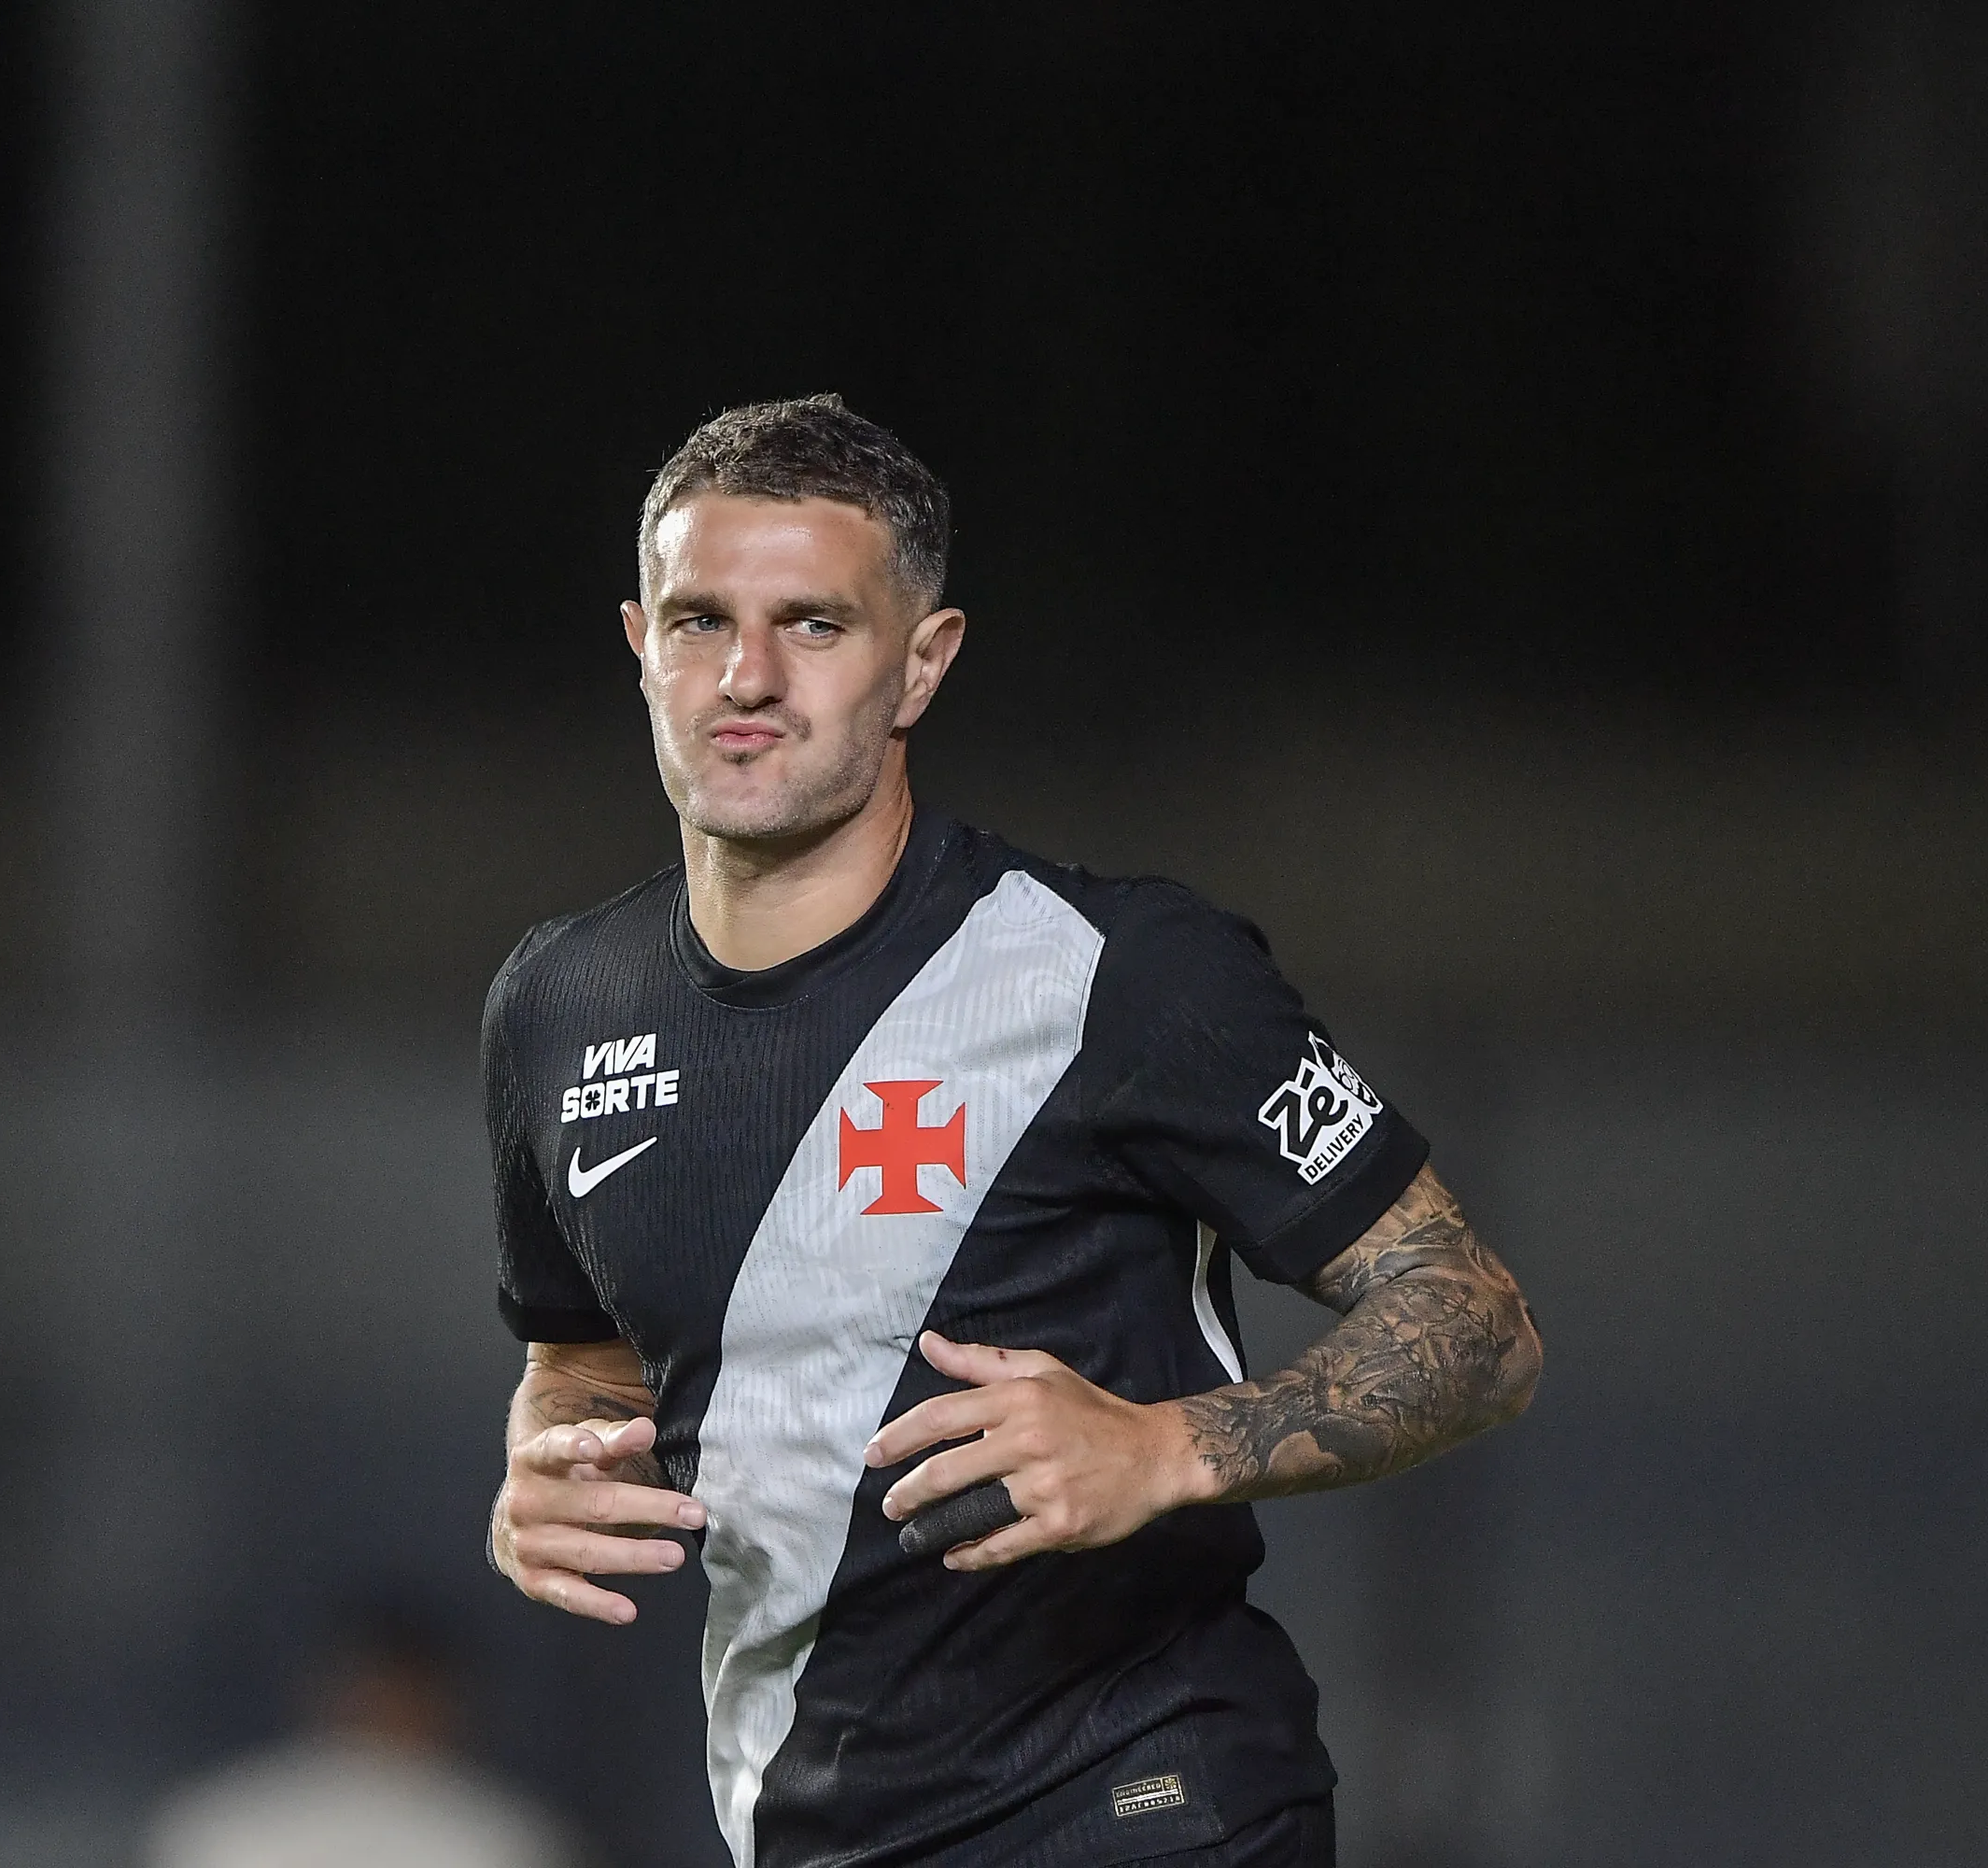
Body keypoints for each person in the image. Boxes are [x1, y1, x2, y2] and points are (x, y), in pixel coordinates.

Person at [482, 394, 1543, 1868]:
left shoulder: (1122, 972)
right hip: (815, 1831)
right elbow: (580, 1360)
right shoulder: (558, 1005)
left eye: (814, 625)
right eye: (700, 619)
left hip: (1146, 1804)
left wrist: (1168, 1447)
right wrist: (548, 1469)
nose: (746, 676)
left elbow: (1479, 1324)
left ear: (923, 662)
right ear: (638, 645)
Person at [143, 1594, 581, 1868]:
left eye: (404, 1694)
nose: (388, 1709)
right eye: (376, 1691)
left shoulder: (503, 1840)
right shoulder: (227, 1824)